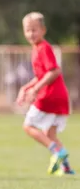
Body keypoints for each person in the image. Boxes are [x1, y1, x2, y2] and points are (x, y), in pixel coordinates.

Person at [16, 12, 73, 175]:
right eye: (27, 30)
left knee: (28, 126)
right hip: (60, 96)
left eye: (34, 30)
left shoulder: (43, 48)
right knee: (50, 133)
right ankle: (66, 167)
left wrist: (35, 89)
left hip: (50, 95)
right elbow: (42, 74)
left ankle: (57, 152)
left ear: (43, 30)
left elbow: (54, 71)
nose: (31, 34)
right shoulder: (37, 49)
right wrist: (25, 88)